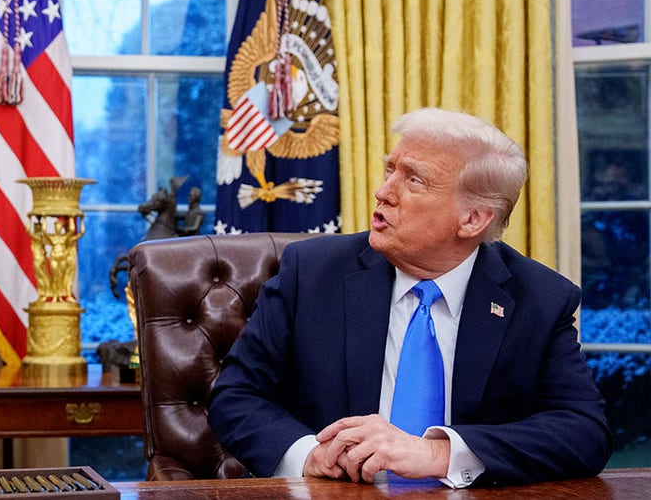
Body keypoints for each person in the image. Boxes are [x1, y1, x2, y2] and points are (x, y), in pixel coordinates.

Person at [208, 107, 612, 487]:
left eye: (414, 180)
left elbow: (584, 432)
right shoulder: (312, 273)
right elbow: (236, 396)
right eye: (390, 169)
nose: (384, 192)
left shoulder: (538, 299)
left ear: (472, 219)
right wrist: (310, 456)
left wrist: (436, 454)